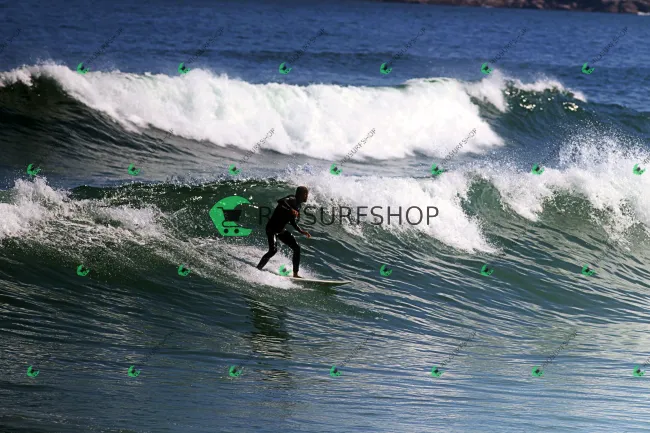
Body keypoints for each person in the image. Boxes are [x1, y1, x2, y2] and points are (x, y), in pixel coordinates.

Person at [257, 186, 311, 277]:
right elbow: (281, 201)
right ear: (302, 194)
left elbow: (292, 221)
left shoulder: (298, 206)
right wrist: (291, 209)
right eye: (306, 194)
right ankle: (258, 268)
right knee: (273, 250)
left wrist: (301, 231)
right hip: (272, 228)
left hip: (281, 230)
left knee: (297, 248)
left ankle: (295, 274)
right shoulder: (292, 199)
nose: (307, 196)